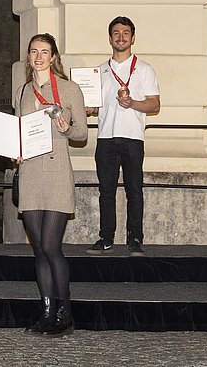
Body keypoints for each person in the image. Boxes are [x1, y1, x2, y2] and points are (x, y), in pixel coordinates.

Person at [13, 33, 87, 337]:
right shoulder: (22, 91)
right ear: (29, 57)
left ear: (54, 56)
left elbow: (82, 133)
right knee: (38, 251)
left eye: (45, 52)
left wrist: (66, 127)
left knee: (50, 245)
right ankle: (46, 312)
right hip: (30, 173)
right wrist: (14, 151)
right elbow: (19, 130)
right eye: (34, 52)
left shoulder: (69, 89)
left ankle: (64, 313)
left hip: (56, 173)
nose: (39, 57)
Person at [86, 16, 160, 257]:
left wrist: (132, 103)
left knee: (134, 190)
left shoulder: (145, 69)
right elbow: (97, 106)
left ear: (133, 37)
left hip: (133, 137)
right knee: (106, 190)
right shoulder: (99, 71)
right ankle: (106, 238)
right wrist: (89, 109)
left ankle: (135, 239)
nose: (121, 37)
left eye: (125, 33)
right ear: (110, 38)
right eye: (116, 33)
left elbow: (154, 105)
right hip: (106, 137)